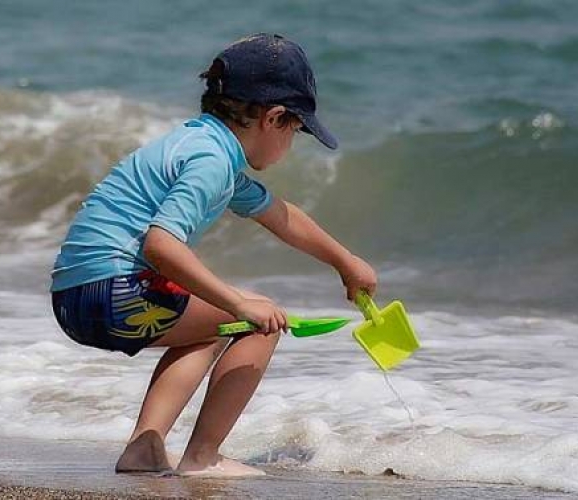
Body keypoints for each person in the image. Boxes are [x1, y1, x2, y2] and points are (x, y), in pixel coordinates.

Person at [50, 33, 377, 478]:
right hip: (117, 292)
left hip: (75, 298)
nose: (292, 143)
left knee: (207, 329)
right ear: (274, 117)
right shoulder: (211, 161)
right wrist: (239, 304)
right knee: (260, 320)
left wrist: (345, 261)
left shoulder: (198, 145)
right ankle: (203, 456)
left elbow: (279, 216)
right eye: (296, 131)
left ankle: (145, 449)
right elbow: (161, 246)